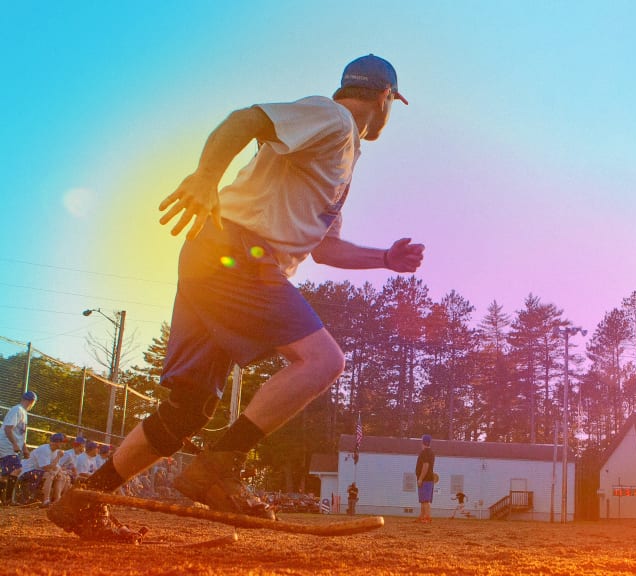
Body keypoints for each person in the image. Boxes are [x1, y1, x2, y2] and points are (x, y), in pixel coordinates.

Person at [49, 53, 422, 542]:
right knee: (323, 360)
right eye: (392, 102)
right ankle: (219, 465)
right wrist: (206, 178)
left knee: (187, 409)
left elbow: (325, 247)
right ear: (385, 97)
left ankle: (83, 500)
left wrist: (384, 260)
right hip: (238, 252)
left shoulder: (343, 154)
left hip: (218, 256)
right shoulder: (333, 118)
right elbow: (246, 120)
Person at [1, 391, 36, 504]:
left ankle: (4, 500)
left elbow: (20, 434)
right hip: (6, 445)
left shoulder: (23, 413)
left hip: (11, 446)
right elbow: (8, 429)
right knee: (16, 469)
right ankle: (8, 500)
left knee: (5, 473)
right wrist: (15, 444)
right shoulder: (17, 410)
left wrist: (24, 448)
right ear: (32, 401)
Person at [20, 432, 70, 507]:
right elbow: (46, 468)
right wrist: (58, 457)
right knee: (49, 475)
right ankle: (46, 500)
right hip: (27, 471)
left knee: (62, 476)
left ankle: (57, 500)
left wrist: (58, 472)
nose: (64, 444)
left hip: (38, 471)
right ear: (57, 442)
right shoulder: (45, 449)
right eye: (63, 442)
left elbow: (56, 467)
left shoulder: (55, 451)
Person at [415, 434, 435, 523]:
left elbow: (426, 465)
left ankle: (427, 517)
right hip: (428, 479)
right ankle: (422, 516)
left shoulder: (425, 452)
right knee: (423, 500)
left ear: (423, 442)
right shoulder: (431, 452)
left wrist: (420, 479)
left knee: (425, 500)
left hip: (425, 479)